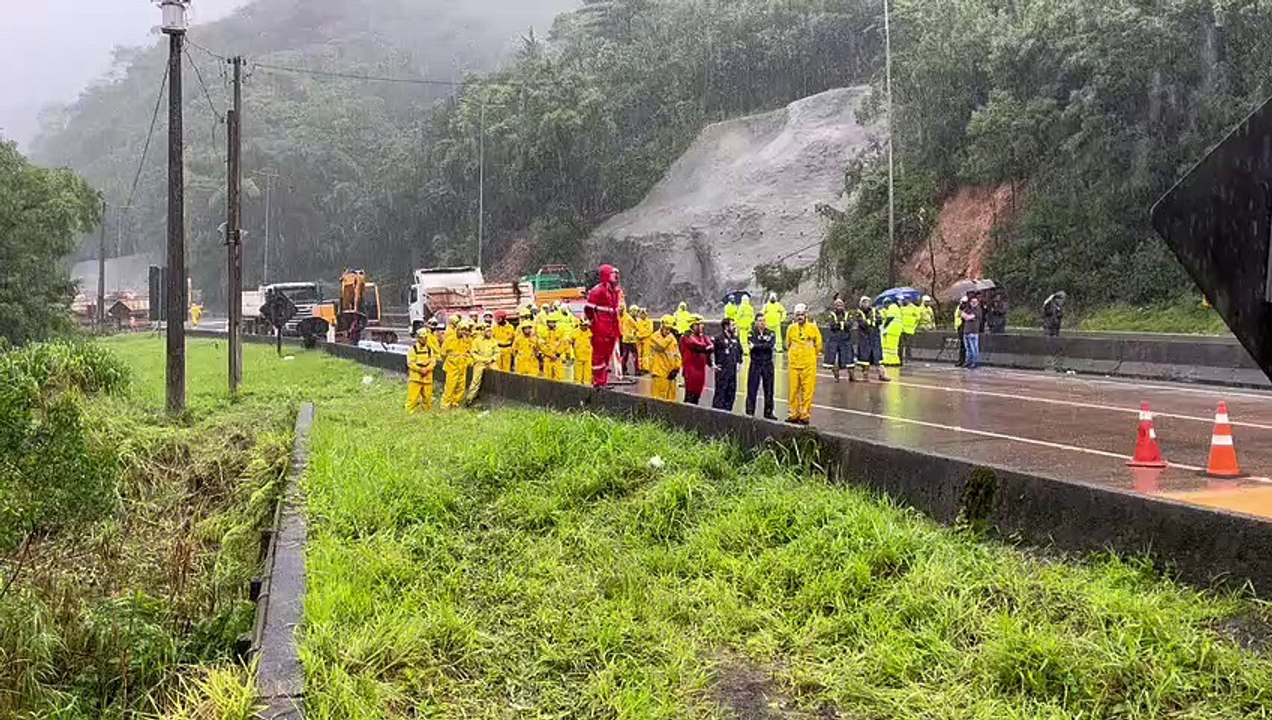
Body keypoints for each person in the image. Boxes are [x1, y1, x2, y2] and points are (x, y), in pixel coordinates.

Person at [584, 264, 623, 388]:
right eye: (612, 274)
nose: (615, 276)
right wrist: (595, 323)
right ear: (606, 275)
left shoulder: (615, 291)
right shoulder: (598, 291)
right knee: (599, 355)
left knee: (607, 355)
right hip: (601, 327)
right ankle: (598, 381)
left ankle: (603, 380)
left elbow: (615, 312)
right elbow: (588, 309)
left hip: (611, 327)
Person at [785, 304, 822, 425]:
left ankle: (804, 414)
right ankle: (794, 414)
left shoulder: (813, 328)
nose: (800, 317)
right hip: (794, 364)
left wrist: (810, 356)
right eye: (797, 315)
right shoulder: (791, 328)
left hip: (808, 364)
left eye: (802, 315)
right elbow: (788, 344)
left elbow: (819, 345)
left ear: (806, 315)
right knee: (793, 391)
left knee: (808, 391)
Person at [746, 315, 778, 420]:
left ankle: (769, 412)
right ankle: (750, 411)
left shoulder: (771, 332)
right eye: (760, 321)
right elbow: (751, 345)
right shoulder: (751, 333)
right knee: (752, 388)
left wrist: (757, 345)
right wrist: (761, 344)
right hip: (755, 363)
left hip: (767, 364)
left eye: (764, 320)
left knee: (769, 389)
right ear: (756, 322)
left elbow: (770, 346)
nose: (762, 323)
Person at [680, 315, 714, 405]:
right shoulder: (686, 336)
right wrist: (706, 347)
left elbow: (711, 346)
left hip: (700, 370)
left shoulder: (702, 336)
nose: (702, 326)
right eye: (699, 324)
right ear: (693, 325)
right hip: (691, 370)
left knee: (697, 395)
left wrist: (707, 348)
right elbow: (697, 346)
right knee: (690, 395)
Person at [405, 325, 440, 413]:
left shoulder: (429, 350)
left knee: (427, 398)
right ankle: (409, 412)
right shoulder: (413, 350)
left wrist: (427, 369)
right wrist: (419, 369)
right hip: (416, 378)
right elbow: (410, 363)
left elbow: (433, 361)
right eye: (422, 338)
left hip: (427, 378)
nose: (424, 340)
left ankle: (426, 413)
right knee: (412, 398)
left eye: (425, 338)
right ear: (418, 338)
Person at [712, 317, 744, 411]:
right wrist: (712, 364)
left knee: (731, 394)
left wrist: (739, 362)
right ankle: (717, 418)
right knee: (720, 394)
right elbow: (709, 351)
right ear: (726, 327)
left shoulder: (735, 338)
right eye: (733, 325)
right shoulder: (718, 338)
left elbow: (740, 351)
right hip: (722, 371)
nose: (735, 327)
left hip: (732, 371)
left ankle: (728, 416)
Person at [440, 321, 474, 409]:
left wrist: (468, 361)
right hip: (452, 366)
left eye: (465, 330)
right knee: (450, 386)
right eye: (462, 329)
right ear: (457, 329)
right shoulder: (450, 339)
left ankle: (455, 402)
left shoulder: (466, 340)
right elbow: (443, 353)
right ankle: (445, 404)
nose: (463, 332)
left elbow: (469, 352)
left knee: (461, 386)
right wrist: (450, 360)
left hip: (462, 365)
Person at [856, 296, 890, 381]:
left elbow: (879, 320)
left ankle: (882, 374)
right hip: (865, 338)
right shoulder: (859, 313)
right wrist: (870, 321)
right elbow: (862, 324)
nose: (866, 304)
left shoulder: (874, 311)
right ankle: (865, 375)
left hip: (874, 337)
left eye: (868, 302)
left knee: (877, 356)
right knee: (865, 358)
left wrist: (873, 321)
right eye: (864, 302)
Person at [649, 315, 682, 402]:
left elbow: (677, 354)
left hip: (670, 374)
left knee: (671, 400)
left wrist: (676, 368)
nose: (668, 331)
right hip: (659, 373)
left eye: (670, 329)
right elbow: (661, 347)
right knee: (658, 399)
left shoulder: (672, 339)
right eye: (666, 328)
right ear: (661, 326)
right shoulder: (654, 337)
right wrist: (670, 337)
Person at [823, 298, 855, 382]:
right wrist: (842, 324)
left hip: (846, 339)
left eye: (841, 305)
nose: (839, 307)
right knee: (833, 360)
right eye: (838, 305)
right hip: (834, 339)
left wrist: (841, 324)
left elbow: (850, 325)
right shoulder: (831, 315)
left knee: (849, 358)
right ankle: (836, 375)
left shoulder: (848, 315)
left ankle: (851, 375)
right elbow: (832, 325)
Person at [466, 323, 499, 404]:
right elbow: (473, 353)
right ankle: (469, 399)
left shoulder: (493, 341)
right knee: (475, 381)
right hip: (480, 363)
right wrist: (482, 360)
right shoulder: (476, 341)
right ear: (482, 331)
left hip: (491, 362)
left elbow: (497, 352)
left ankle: (497, 397)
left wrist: (492, 359)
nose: (489, 333)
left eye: (490, 331)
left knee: (498, 375)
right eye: (487, 331)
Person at [538, 315, 568, 381]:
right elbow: (541, 345)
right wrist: (551, 355)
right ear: (547, 322)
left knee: (559, 378)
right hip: (547, 358)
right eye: (549, 322)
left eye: (552, 322)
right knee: (547, 378)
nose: (551, 323)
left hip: (557, 358)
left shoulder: (560, 331)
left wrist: (557, 353)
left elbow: (564, 343)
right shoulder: (542, 332)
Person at [963, 296, 984, 369]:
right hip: (966, 331)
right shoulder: (968, 308)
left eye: (975, 302)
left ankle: (974, 362)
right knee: (968, 348)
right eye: (972, 302)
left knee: (974, 348)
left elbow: (968, 317)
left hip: (973, 331)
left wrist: (968, 316)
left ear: (977, 302)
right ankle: (968, 361)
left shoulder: (978, 310)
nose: (973, 303)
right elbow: (962, 314)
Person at [881, 297, 903, 367]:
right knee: (894, 347)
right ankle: (895, 360)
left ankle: (888, 360)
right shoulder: (896, 308)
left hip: (891, 330)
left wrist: (884, 327)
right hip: (896, 330)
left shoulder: (892, 307)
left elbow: (889, 318)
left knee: (889, 347)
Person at [619, 304, 641, 376]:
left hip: (625, 339)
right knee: (634, 356)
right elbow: (636, 327)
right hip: (631, 340)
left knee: (625, 356)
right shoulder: (629, 318)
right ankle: (636, 371)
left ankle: (623, 370)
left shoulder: (625, 317)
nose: (637, 313)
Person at [573, 318, 594, 385]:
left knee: (587, 375)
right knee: (578, 376)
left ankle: (587, 386)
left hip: (588, 356)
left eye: (586, 325)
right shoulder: (575, 332)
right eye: (583, 325)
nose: (584, 327)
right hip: (578, 356)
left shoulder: (591, 332)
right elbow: (568, 341)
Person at [900, 296, 921, 362]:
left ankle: (907, 358)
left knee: (908, 345)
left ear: (909, 300)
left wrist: (914, 324)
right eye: (903, 300)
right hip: (902, 329)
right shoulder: (901, 307)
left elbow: (918, 317)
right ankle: (901, 358)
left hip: (910, 329)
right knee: (901, 345)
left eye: (905, 300)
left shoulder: (913, 308)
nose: (904, 301)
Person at [636, 307, 654, 376]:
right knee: (639, 354)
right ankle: (639, 367)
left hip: (647, 339)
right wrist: (639, 336)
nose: (642, 315)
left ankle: (646, 368)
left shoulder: (649, 322)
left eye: (644, 314)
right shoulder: (637, 321)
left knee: (646, 354)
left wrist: (641, 335)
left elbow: (650, 331)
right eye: (641, 314)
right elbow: (635, 329)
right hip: (639, 340)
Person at [954, 295, 969, 367]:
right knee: (962, 345)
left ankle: (966, 360)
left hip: (965, 327)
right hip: (960, 327)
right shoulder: (959, 308)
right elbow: (957, 316)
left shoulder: (968, 308)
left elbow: (965, 317)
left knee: (966, 346)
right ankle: (961, 360)